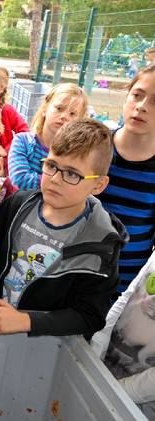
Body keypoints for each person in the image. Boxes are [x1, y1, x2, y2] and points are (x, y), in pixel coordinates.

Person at [0, 119, 128, 339]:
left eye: (72, 174)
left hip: (44, 346)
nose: (55, 180)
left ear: (98, 185)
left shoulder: (101, 245)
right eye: (51, 165)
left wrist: (27, 321)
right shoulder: (17, 205)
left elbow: (90, 315)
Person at [98, 64, 155, 293]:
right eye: (137, 95)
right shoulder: (94, 148)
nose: (141, 106)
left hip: (125, 288)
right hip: (74, 278)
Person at [91, 251, 155, 419]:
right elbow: (129, 296)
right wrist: (96, 348)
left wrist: (116, 391)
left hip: (135, 402)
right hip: (105, 368)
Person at [8, 83, 88, 190]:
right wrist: (61, 182)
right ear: (45, 109)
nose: (64, 116)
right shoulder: (22, 141)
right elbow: (20, 180)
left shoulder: (74, 154)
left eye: (72, 114)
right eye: (59, 108)